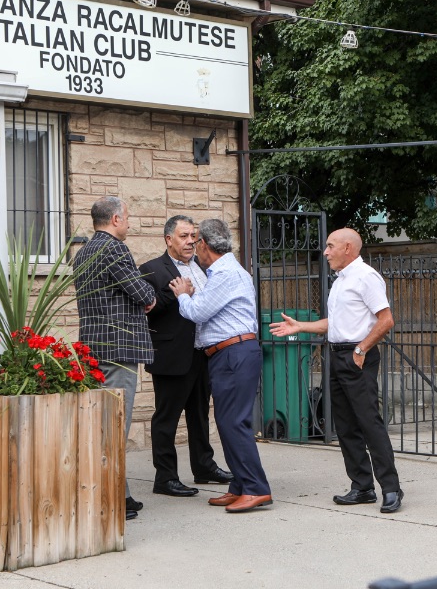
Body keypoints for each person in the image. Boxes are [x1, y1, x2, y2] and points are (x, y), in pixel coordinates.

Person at [269, 228, 404, 513]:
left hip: (358, 356)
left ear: (347, 248)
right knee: (344, 425)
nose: (326, 252)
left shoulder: (366, 277)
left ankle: (391, 489)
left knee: (369, 422)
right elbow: (336, 323)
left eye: (331, 246)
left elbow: (386, 320)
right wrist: (300, 326)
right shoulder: (341, 280)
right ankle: (362, 487)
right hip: (337, 355)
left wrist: (361, 349)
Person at [168, 218, 272, 513]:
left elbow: (198, 312)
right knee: (228, 423)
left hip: (233, 353)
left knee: (234, 423)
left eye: (195, 241)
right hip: (230, 353)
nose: (193, 247)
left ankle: (255, 488)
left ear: (204, 244)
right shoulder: (224, 271)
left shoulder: (225, 273)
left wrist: (183, 294)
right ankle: (240, 485)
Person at [73, 196, 157, 522]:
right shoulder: (114, 249)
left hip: (93, 349)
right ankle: (112, 499)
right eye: (128, 217)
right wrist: (149, 297)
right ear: (116, 219)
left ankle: (120, 493)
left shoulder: (83, 252)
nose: (129, 223)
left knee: (102, 424)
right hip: (118, 352)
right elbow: (143, 294)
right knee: (115, 426)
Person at [139, 215, 233, 498]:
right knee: (166, 418)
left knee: (200, 414)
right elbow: (148, 308)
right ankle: (165, 477)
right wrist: (178, 294)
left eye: (193, 236)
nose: (191, 241)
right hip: (171, 355)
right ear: (169, 239)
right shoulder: (151, 269)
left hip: (203, 353)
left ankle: (204, 466)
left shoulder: (204, 267)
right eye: (184, 236)